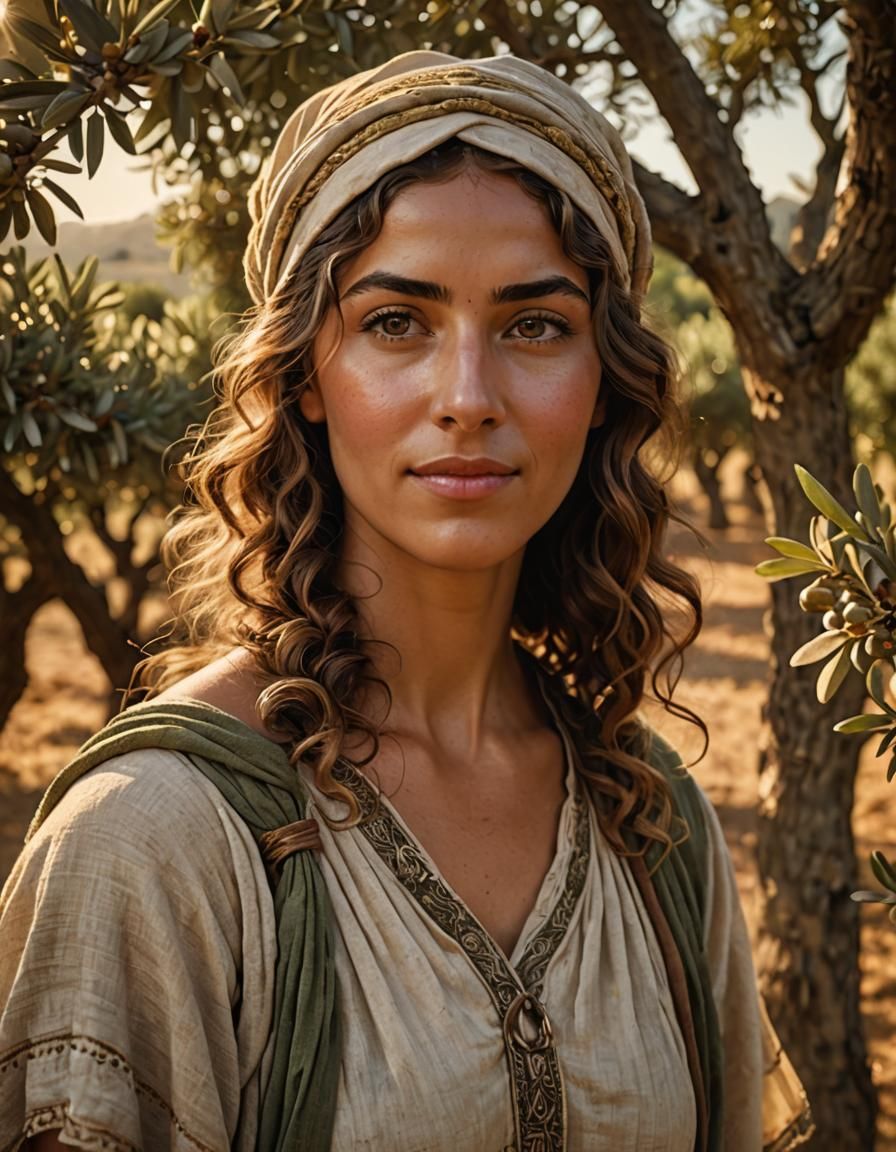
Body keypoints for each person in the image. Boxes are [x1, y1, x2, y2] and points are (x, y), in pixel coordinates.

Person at [0, 51, 812, 1152]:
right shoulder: (157, 840)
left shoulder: (647, 815)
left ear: (600, 378)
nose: (468, 398)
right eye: (395, 322)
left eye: (534, 325)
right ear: (303, 378)